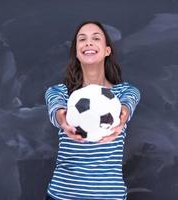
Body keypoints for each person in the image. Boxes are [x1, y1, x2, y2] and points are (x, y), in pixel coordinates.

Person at [44, 20, 140, 200]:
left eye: (96, 38)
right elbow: (55, 109)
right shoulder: (60, 92)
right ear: (76, 52)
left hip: (110, 196)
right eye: (82, 39)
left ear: (107, 50)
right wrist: (63, 121)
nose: (88, 42)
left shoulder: (125, 92)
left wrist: (121, 119)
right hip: (62, 195)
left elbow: (127, 107)